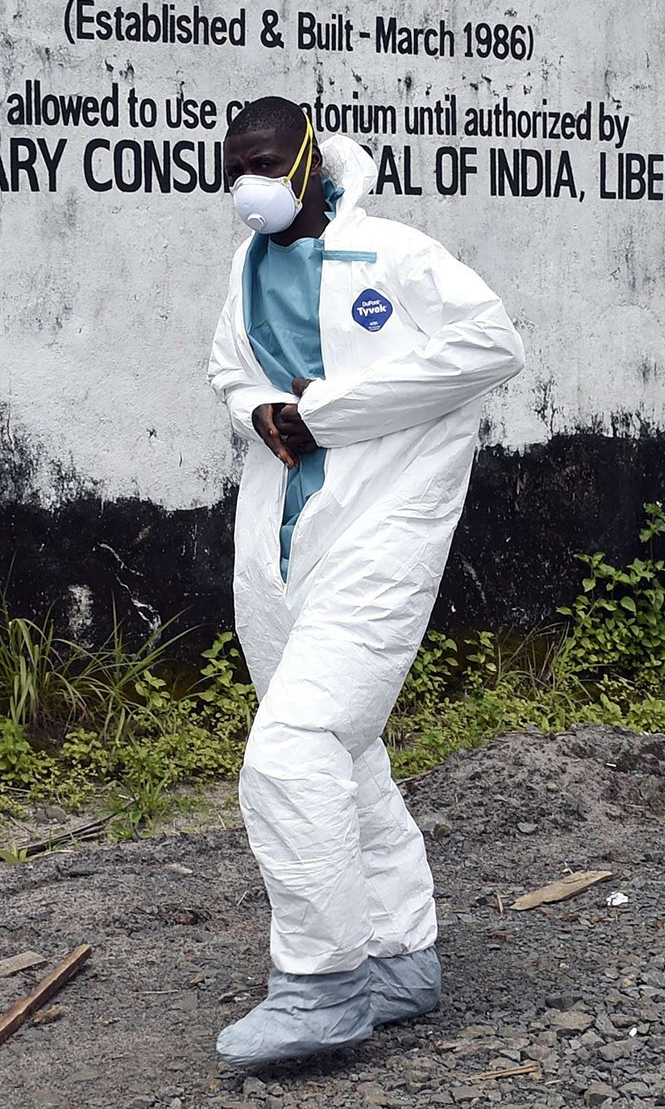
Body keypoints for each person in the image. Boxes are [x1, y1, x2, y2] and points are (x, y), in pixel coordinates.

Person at [206, 97, 526, 1069]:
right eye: (232, 167)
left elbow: (490, 345)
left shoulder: (392, 253)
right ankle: (396, 957)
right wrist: (261, 410)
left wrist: (334, 411)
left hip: (380, 539)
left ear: (307, 160)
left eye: (262, 161)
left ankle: (320, 985)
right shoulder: (247, 263)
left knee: (290, 752)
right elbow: (230, 364)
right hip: (280, 543)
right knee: (345, 755)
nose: (246, 183)